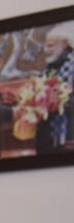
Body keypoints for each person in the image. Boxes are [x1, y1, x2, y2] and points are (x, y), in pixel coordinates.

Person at [37, 23, 74, 154]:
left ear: (64, 44)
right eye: (45, 46)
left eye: (50, 46)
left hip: (68, 134)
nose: (46, 50)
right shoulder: (50, 66)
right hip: (47, 134)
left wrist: (61, 99)